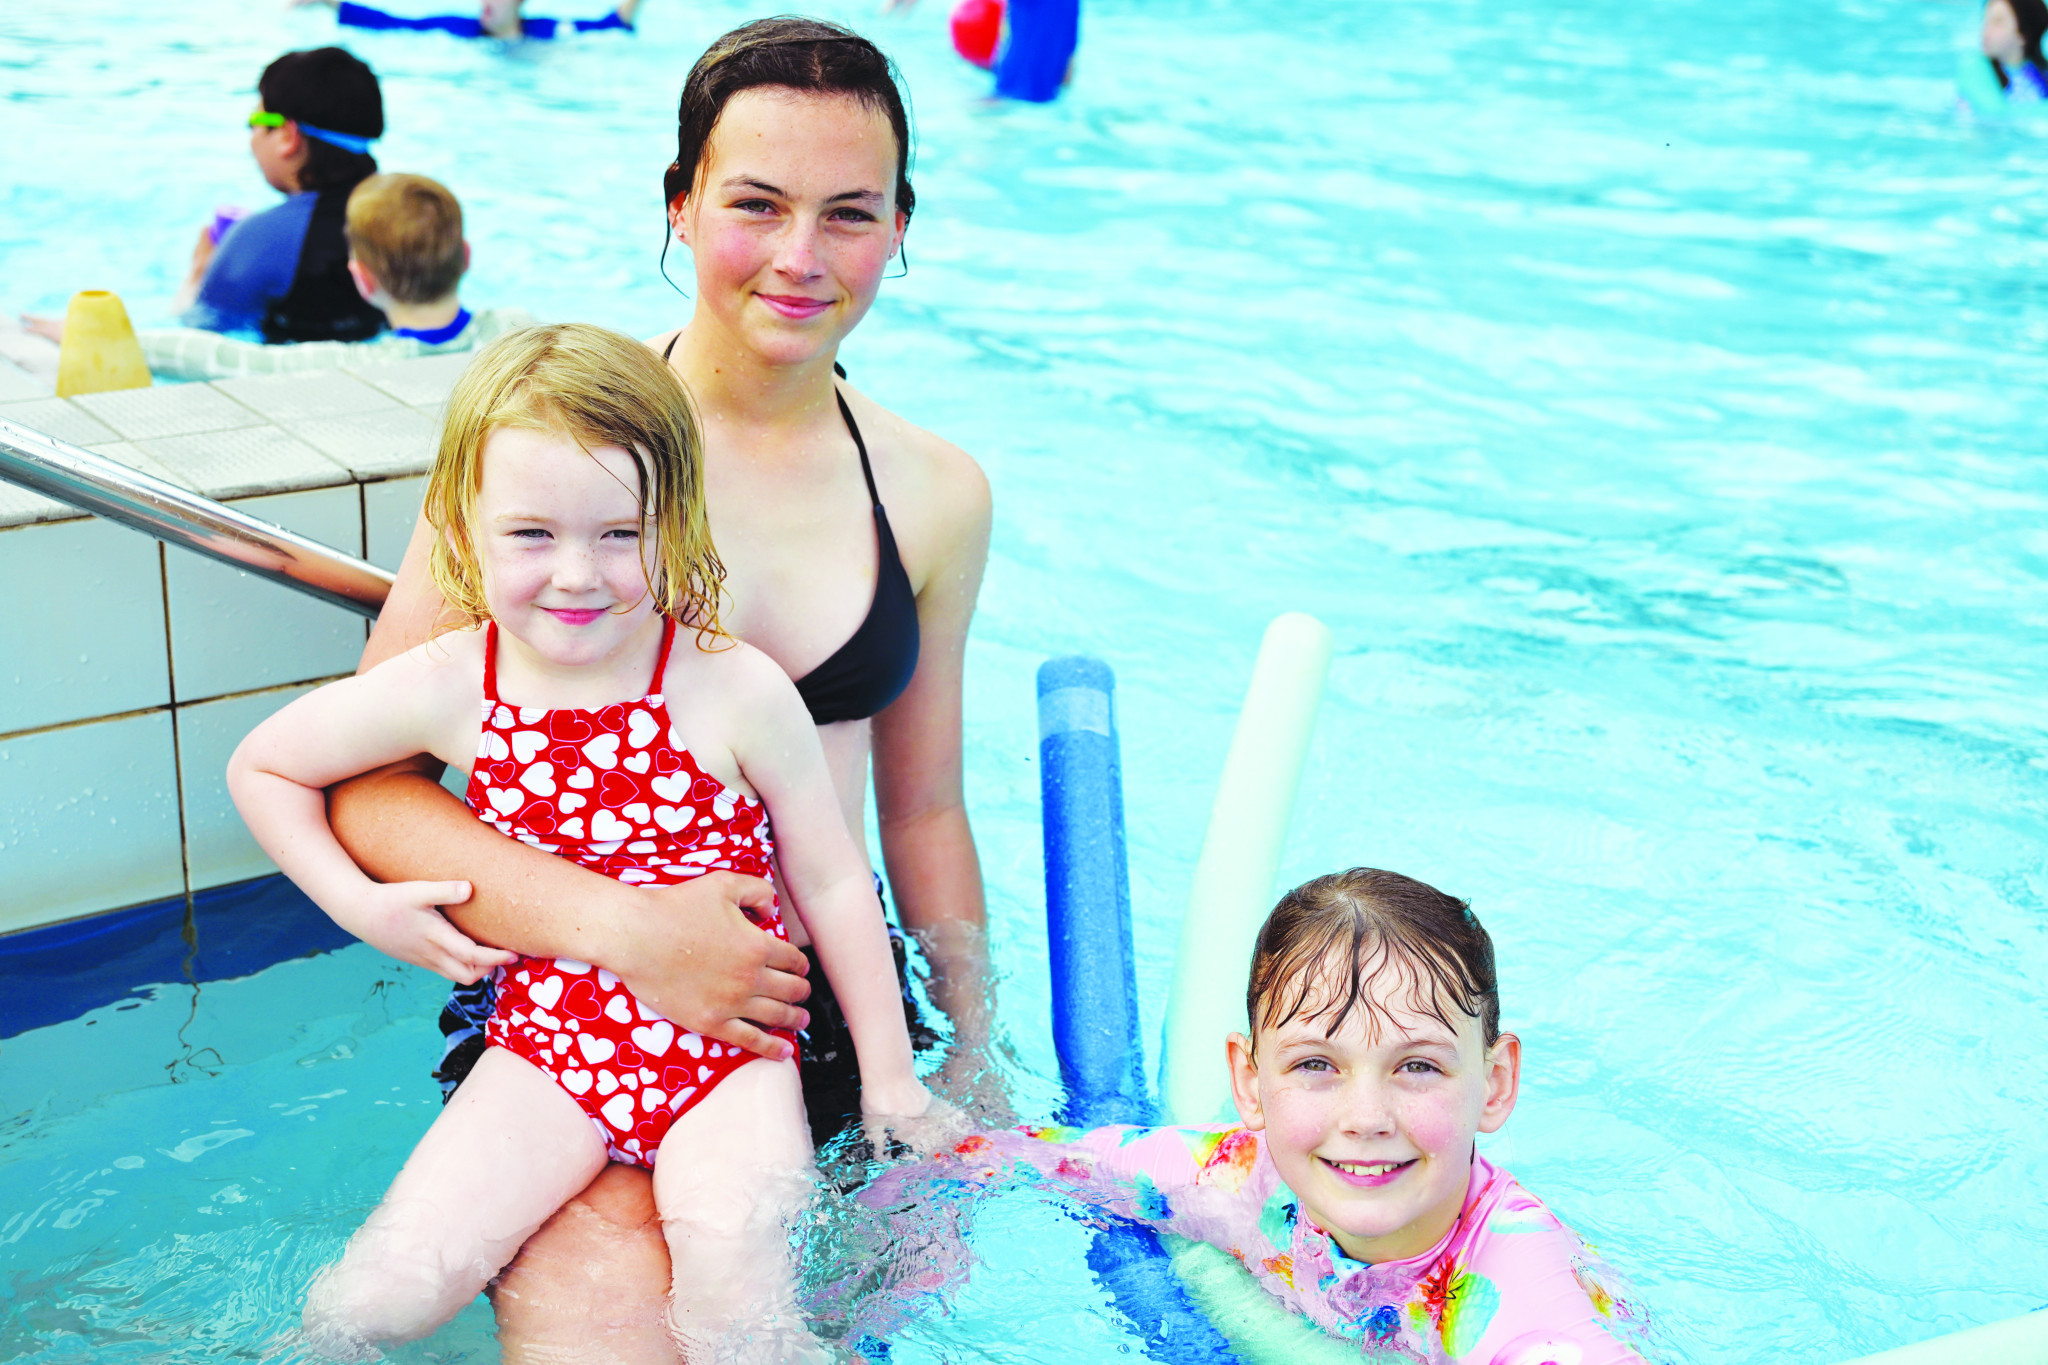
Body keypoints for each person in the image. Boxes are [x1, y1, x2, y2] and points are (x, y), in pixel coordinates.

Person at [322, 17, 995, 1357]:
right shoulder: (551, 466)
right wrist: (628, 930)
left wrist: (973, 1046)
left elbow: (920, 814)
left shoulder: (935, 493)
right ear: (680, 206)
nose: (802, 257)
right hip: (571, 1000)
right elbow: (368, 789)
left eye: (850, 214)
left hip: (819, 1012)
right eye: (756, 203)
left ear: (901, 227)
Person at [228, 322, 945, 1360]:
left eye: (621, 534)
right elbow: (267, 765)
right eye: (532, 535)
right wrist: (361, 905)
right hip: (544, 1059)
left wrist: (889, 1079)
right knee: (371, 1299)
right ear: (465, 532)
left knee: (737, 1309)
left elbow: (832, 880)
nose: (578, 574)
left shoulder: (730, 685)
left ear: (679, 523)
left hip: (729, 1061)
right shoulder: (456, 683)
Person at [897, 869, 1652, 1362]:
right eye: (1316, 1065)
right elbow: (1024, 1157)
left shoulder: (1511, 1277)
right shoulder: (1233, 1179)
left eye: (1416, 1065)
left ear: (1495, 1082)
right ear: (1249, 1080)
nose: (1365, 1116)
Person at [120, 174, 532, 380]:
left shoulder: (360, 366)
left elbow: (225, 360)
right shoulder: (517, 330)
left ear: (364, 281)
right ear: (466, 257)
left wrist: (103, 333)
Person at [182, 48, 391, 343]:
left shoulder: (258, 238)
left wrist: (198, 272)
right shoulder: (413, 214)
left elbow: (198, 338)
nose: (252, 135)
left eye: (256, 119)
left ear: (287, 136)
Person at [296, 0, 642, 41]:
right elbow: (397, 22)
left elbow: (609, 24)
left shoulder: (546, 30)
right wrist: (329, 3)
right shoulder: (458, 27)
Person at [1983, 0, 2048, 98]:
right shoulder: (1978, 71)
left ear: (2023, 34)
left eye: (1997, 21)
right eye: (1986, 20)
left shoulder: (2042, 77)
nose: (1986, 30)